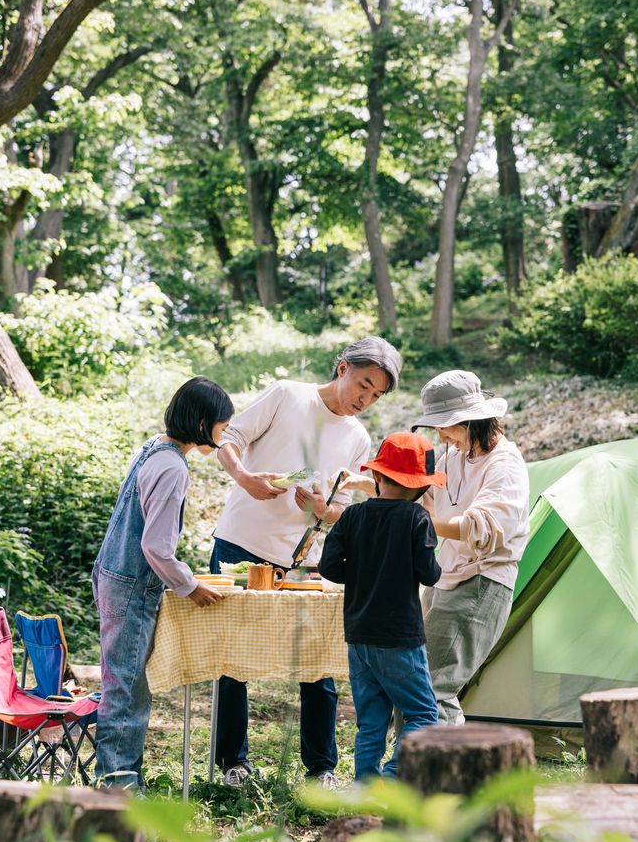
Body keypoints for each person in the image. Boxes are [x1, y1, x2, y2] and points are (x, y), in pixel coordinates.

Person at [210, 336, 403, 789]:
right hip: (241, 544)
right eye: (363, 384)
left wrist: (324, 510)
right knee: (232, 658)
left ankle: (321, 769)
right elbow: (228, 439)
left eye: (376, 395)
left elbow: (342, 512)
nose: (365, 399)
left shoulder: (357, 438)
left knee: (317, 664)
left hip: (304, 559)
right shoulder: (287, 395)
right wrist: (245, 478)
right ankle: (232, 764)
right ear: (342, 368)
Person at [92, 377, 234, 789]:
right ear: (203, 422)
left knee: (121, 679)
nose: (223, 439)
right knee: (127, 687)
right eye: (222, 429)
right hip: (132, 583)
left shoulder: (154, 447)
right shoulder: (172, 466)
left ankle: (119, 775)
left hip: (113, 572)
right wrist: (190, 585)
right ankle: (118, 784)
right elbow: (156, 546)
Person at [319, 432, 444, 780]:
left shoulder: (352, 516)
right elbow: (429, 574)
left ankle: (364, 785)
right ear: (421, 487)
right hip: (400, 636)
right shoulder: (418, 519)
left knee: (371, 719)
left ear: (377, 476)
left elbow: (329, 567)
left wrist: (360, 575)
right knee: (423, 714)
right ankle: (391, 778)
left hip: (358, 634)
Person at [411, 369, 529, 725]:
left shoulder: (504, 465)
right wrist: (367, 486)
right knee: (417, 684)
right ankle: (411, 769)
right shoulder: (455, 457)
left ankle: (438, 776)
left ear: (470, 421)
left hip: (480, 581)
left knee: (432, 687)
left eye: (445, 425)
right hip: (447, 575)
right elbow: (416, 491)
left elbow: (484, 527)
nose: (440, 434)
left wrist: (417, 523)